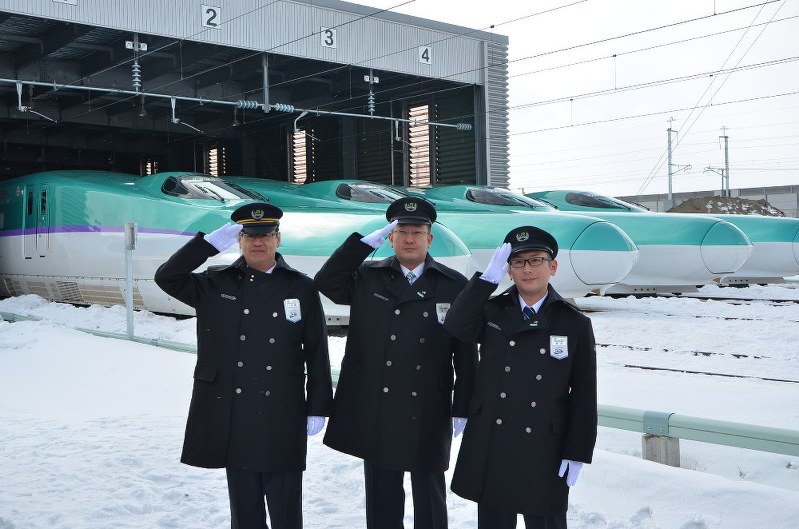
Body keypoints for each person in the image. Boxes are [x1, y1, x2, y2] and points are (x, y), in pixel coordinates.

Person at [154, 202, 333, 529]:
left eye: (265, 235)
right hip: (234, 408)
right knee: (245, 510)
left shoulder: (301, 287)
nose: (257, 243)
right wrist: (206, 245)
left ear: (278, 239)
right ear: (238, 240)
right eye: (249, 236)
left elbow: (317, 352)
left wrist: (317, 405)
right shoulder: (216, 283)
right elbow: (167, 277)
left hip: (283, 410)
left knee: (286, 511)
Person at [313, 196, 478, 529]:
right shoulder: (367, 276)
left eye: (417, 231)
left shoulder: (453, 284)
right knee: (382, 494)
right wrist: (360, 246)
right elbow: (326, 282)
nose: (409, 238)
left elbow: (465, 352)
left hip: (428, 405)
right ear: (389, 237)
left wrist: (464, 406)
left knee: (429, 493)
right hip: (378, 402)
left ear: (430, 239)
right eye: (401, 231)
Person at [443, 226, 597, 529]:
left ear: (552, 266)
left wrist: (578, 450)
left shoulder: (573, 322)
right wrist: (485, 280)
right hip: (494, 439)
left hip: (545, 446)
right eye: (518, 262)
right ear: (508, 271)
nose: (528, 269)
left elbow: (583, 393)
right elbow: (455, 326)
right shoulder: (491, 310)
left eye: (536, 260)